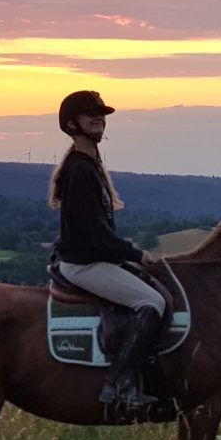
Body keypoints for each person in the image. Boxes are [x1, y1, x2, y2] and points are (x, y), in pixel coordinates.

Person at [48, 89, 165, 405]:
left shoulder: (87, 164)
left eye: (101, 115)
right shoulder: (80, 171)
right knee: (151, 302)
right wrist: (136, 254)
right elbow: (97, 237)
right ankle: (119, 383)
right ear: (72, 124)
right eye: (90, 114)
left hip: (93, 258)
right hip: (85, 264)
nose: (99, 119)